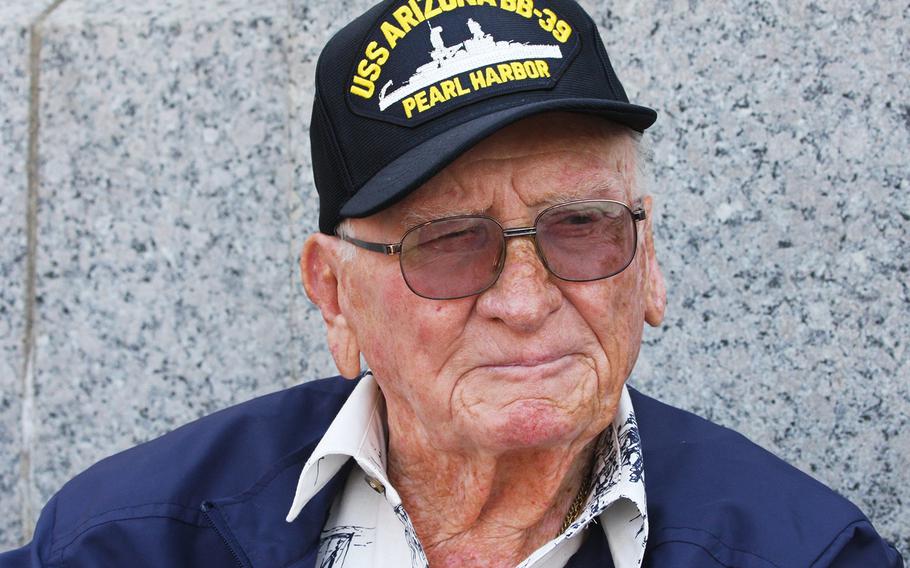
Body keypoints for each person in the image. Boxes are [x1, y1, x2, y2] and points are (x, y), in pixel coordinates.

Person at [1, 0, 904, 567]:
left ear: (650, 261)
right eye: (448, 244)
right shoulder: (131, 539)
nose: (524, 299)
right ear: (333, 293)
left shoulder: (803, 549)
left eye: (580, 228)